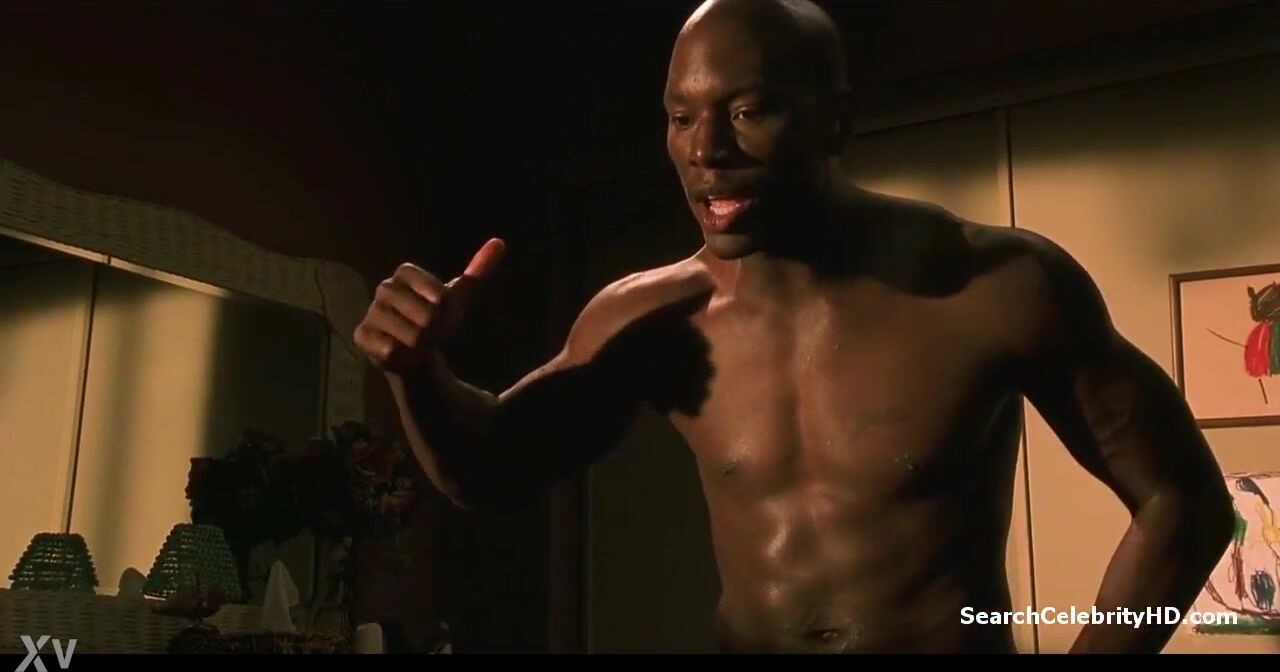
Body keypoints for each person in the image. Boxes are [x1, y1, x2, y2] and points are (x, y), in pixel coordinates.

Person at [353, 0, 1234, 654]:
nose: (707, 151)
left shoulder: (995, 284)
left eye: (746, 111)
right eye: (681, 117)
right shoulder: (647, 316)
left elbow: (1184, 502)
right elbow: (491, 471)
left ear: (834, 120)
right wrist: (416, 371)